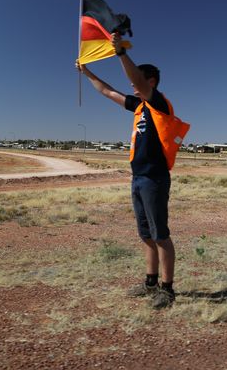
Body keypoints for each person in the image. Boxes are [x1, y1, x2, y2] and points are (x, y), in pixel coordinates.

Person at [75, 33, 177, 309]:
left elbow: (137, 80)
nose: (131, 85)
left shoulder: (158, 103)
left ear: (151, 82)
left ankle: (167, 290)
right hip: (138, 177)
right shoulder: (139, 106)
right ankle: (150, 283)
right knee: (145, 234)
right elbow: (108, 91)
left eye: (137, 81)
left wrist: (120, 52)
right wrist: (87, 72)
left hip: (155, 178)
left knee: (160, 235)